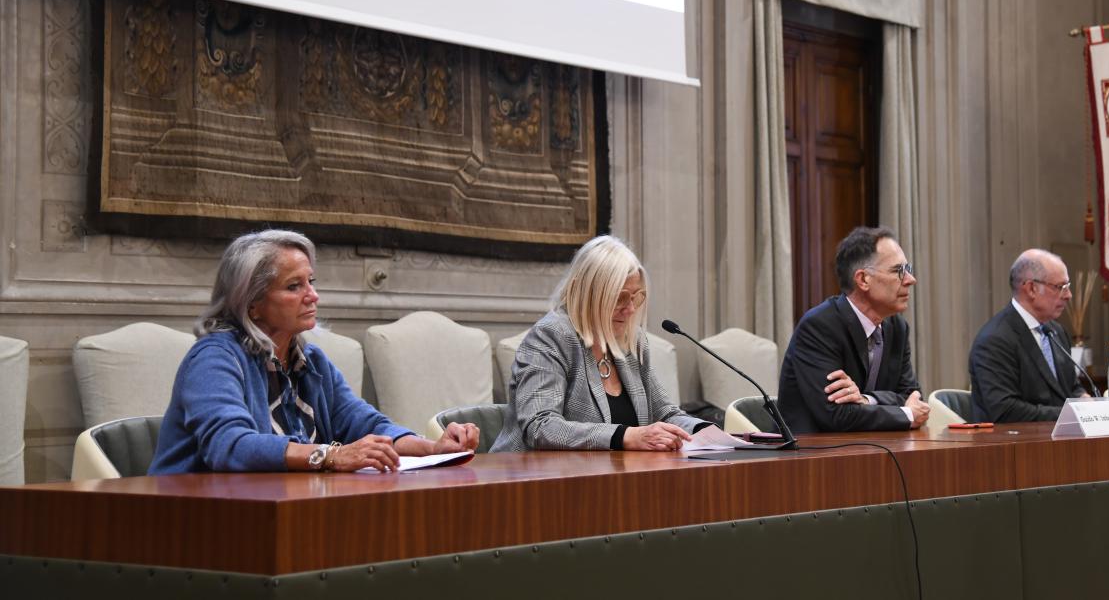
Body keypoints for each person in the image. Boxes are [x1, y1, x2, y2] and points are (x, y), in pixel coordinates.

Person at [149, 229, 478, 474]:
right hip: (193, 523)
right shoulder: (214, 358)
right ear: (252, 304)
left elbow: (364, 423)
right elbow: (230, 447)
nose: (313, 296)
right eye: (294, 286)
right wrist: (332, 455)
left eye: (311, 282)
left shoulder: (311, 362)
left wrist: (432, 448)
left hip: (280, 510)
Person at [492, 235, 709, 452]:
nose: (630, 309)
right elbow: (540, 426)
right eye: (620, 298)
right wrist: (625, 435)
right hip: (533, 479)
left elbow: (665, 413)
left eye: (635, 297)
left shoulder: (632, 340)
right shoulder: (550, 336)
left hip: (610, 477)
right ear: (585, 293)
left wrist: (711, 434)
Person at [777, 226, 930, 432]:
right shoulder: (819, 327)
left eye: (908, 269)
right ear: (863, 279)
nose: (911, 280)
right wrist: (906, 414)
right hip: (811, 456)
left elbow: (912, 396)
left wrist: (867, 400)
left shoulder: (897, 327)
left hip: (871, 450)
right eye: (898, 271)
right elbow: (836, 414)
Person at [968, 248, 1086, 422]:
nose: (1068, 295)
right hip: (1014, 444)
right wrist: (1071, 414)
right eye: (1060, 287)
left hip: (1061, 440)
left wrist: (1086, 401)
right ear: (1031, 288)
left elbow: (1071, 387)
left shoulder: (1056, 332)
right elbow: (1005, 411)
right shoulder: (994, 340)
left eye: (1067, 287)